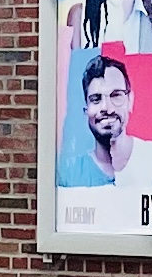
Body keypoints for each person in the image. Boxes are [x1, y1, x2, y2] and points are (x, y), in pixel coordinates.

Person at [59, 52, 139, 188]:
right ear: (86, 109)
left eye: (116, 95)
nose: (107, 108)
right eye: (96, 99)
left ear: (130, 101)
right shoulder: (67, 174)